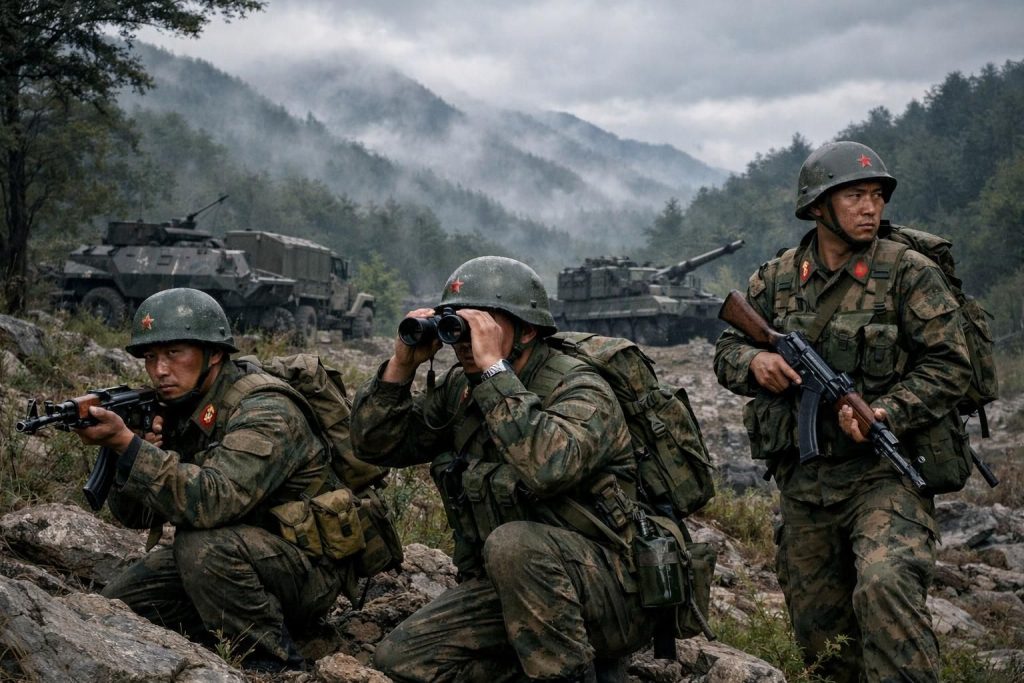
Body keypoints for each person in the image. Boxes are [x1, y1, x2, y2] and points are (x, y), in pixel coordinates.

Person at [714, 141, 973, 682]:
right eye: (855, 195)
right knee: (820, 635)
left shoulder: (908, 273)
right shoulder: (777, 278)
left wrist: (887, 411)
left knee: (885, 586)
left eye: (877, 195)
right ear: (817, 207)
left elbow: (952, 366)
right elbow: (726, 351)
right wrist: (756, 360)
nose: (870, 207)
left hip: (884, 476)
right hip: (806, 485)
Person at [350, 256, 655, 682]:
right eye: (455, 323)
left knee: (514, 543)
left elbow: (548, 468)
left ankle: (574, 672)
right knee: (400, 660)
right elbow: (375, 445)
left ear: (526, 330)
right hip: (511, 588)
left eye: (481, 324)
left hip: (610, 592)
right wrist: (401, 368)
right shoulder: (462, 386)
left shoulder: (580, 388)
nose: (464, 339)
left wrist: (494, 370)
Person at [74, 287, 355, 672]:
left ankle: (273, 660)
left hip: (305, 568)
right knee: (125, 603)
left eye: (175, 353)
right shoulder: (181, 404)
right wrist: (134, 451)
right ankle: (226, 628)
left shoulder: (266, 408)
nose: (160, 370)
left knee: (198, 543)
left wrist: (127, 445)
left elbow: (213, 501)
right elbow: (135, 517)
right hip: (236, 555)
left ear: (215, 353)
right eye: (151, 357)